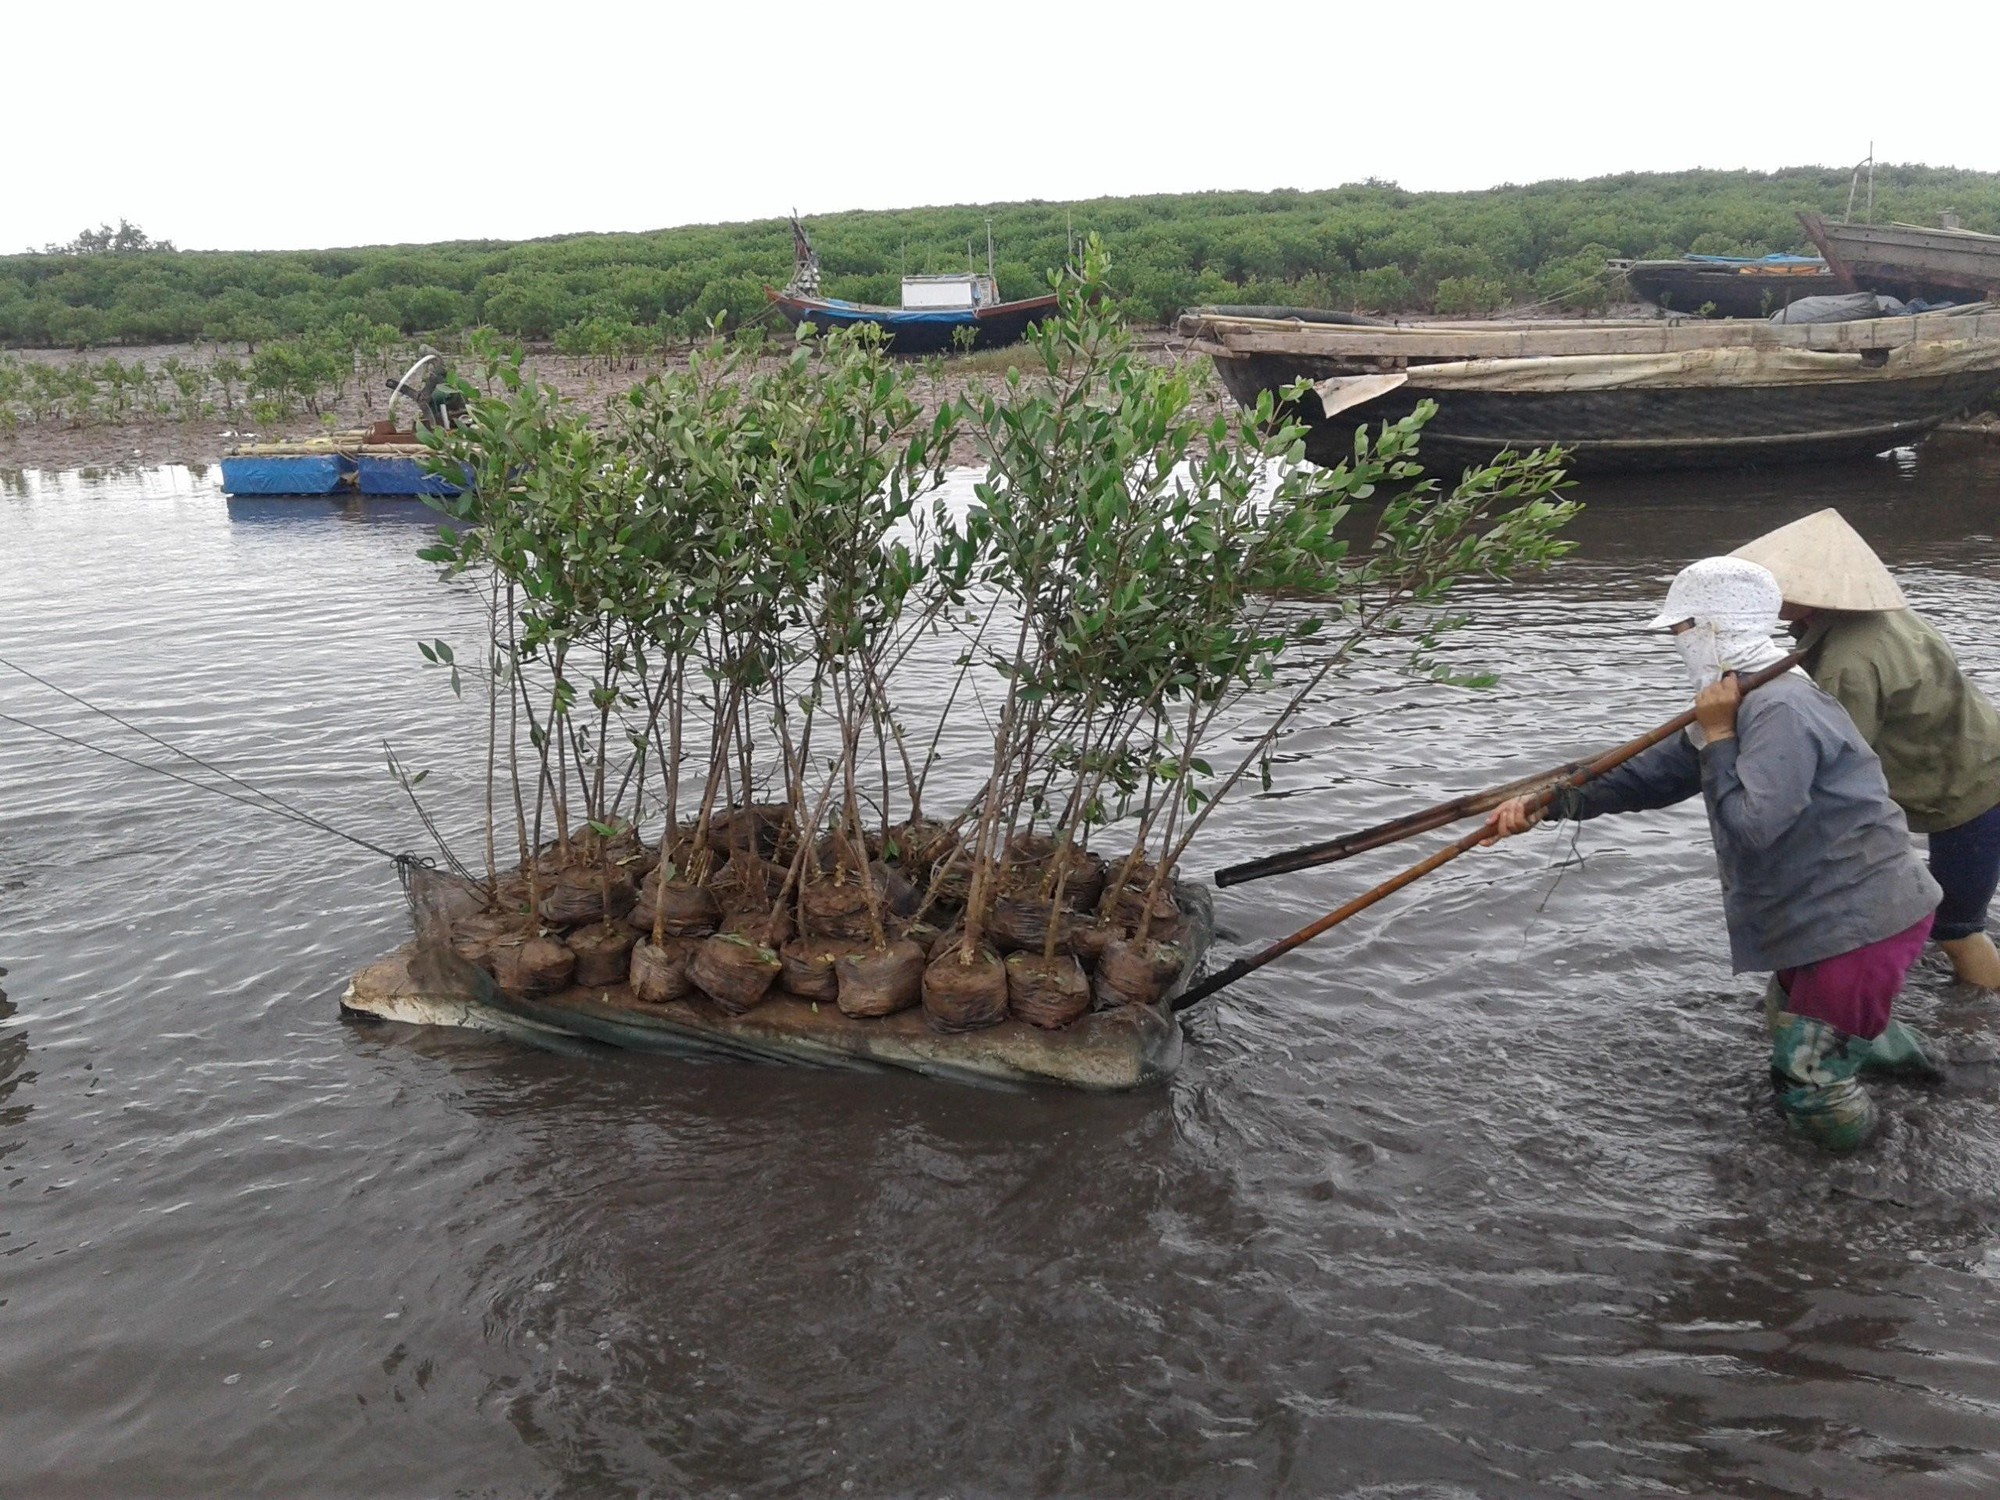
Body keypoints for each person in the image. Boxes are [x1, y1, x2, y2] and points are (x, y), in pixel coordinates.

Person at [1485, 557, 1942, 1152]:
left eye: (1682, 630)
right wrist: (1551, 803)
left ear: (1712, 629)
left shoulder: (1779, 709)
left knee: (1807, 1079)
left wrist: (1721, 736)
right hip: (1825, 913)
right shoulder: (1736, 701)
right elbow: (1651, 777)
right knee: (1804, 1024)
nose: (1678, 643)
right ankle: (1933, 1083)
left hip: (1859, 919)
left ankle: (1871, 1175)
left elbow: (1755, 828)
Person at [1733, 508, 2000, 989]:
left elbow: (1832, 759)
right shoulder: (1890, 617)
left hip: (1970, 792)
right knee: (1949, 918)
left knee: (1959, 930)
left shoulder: (1848, 664)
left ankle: (1974, 1028)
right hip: (1973, 764)